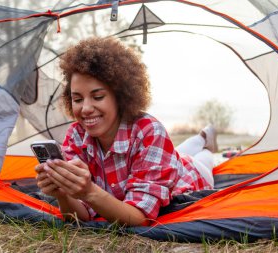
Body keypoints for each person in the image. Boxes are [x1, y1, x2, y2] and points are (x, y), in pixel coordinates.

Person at [35, 37, 218, 226]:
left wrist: (89, 191)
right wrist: (62, 193)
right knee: (178, 153)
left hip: (192, 174)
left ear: (120, 96)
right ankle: (202, 137)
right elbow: (79, 217)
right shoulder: (76, 135)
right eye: (78, 99)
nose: (86, 108)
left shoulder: (150, 131)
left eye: (97, 97)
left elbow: (141, 219)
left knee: (203, 158)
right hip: (163, 161)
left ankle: (206, 140)